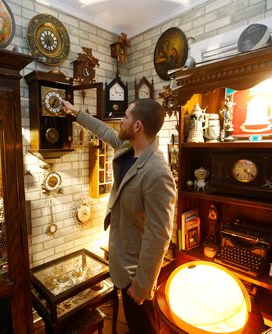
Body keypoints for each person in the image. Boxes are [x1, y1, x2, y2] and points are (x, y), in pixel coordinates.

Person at [62, 99, 176, 334]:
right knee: (136, 325)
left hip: (137, 273)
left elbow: (159, 237)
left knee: (145, 327)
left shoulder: (157, 173)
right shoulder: (128, 148)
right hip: (123, 263)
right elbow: (105, 131)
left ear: (137, 126)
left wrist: (143, 286)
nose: (120, 121)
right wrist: (76, 113)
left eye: (125, 116)